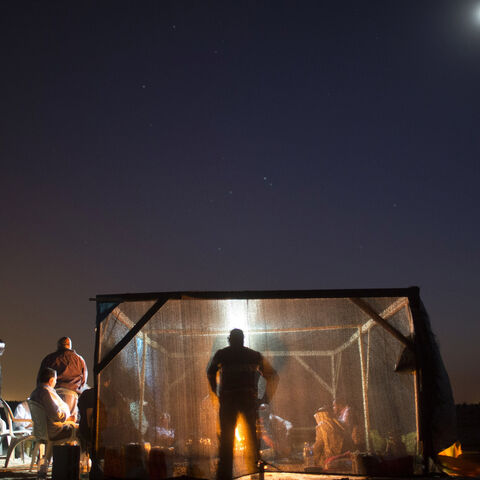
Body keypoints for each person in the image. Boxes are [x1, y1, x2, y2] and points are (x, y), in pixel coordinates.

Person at [207, 328, 278, 480]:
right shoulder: (254, 356)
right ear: (243, 339)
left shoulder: (222, 354)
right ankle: (254, 475)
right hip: (247, 401)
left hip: (228, 402)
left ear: (229, 339)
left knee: (226, 443)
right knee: (252, 441)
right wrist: (265, 399)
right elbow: (273, 376)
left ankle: (225, 476)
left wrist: (216, 393)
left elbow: (210, 373)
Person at [38, 336, 87, 420]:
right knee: (69, 424)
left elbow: (40, 378)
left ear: (58, 345)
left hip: (51, 394)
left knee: (52, 421)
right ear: (70, 345)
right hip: (71, 396)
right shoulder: (79, 359)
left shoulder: (48, 358)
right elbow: (83, 380)